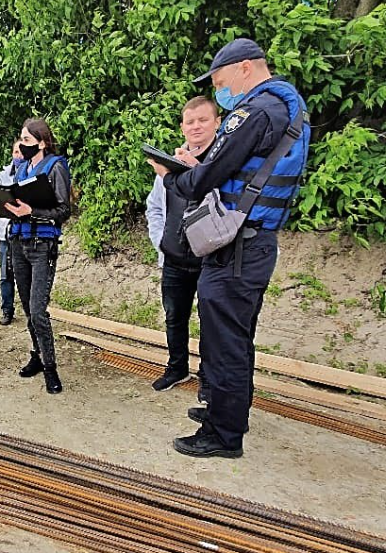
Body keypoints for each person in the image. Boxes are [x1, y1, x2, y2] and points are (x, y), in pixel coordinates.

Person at [148, 39, 311, 458]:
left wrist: (171, 175)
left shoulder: (256, 111)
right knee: (233, 337)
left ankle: (224, 436)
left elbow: (205, 179)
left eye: (220, 81)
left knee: (226, 342)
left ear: (243, 69)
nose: (221, 89)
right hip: (250, 244)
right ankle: (225, 413)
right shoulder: (284, 108)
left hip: (239, 247)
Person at [146, 97, 220, 400]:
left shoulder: (223, 163)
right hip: (175, 259)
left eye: (203, 120)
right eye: (190, 122)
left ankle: (208, 378)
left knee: (211, 322)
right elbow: (154, 208)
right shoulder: (169, 167)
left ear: (217, 122)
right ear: (182, 127)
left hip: (211, 260)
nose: (196, 126)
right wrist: (161, 243)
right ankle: (177, 368)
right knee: (174, 316)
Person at [5, 119, 71, 394]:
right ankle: (37, 354)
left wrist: (31, 212)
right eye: (21, 139)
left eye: (28, 140)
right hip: (18, 243)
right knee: (27, 309)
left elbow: (63, 211)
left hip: (42, 246)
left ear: (42, 142)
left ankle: (51, 369)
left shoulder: (56, 167)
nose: (23, 145)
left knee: (38, 310)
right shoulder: (20, 167)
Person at [0, 140, 25, 325]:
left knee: (28, 275)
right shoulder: (1, 178)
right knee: (6, 274)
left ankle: (32, 312)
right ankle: (7, 309)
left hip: (27, 235)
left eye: (22, 152)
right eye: (16, 152)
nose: (18, 155)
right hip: (6, 235)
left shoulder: (33, 175)